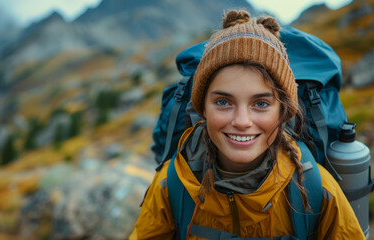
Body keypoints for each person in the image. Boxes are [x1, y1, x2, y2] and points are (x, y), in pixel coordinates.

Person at [129, 10, 365, 240]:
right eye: (223, 102)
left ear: (283, 112)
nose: (242, 122)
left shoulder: (317, 190)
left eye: (261, 103)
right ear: (202, 108)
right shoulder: (172, 183)